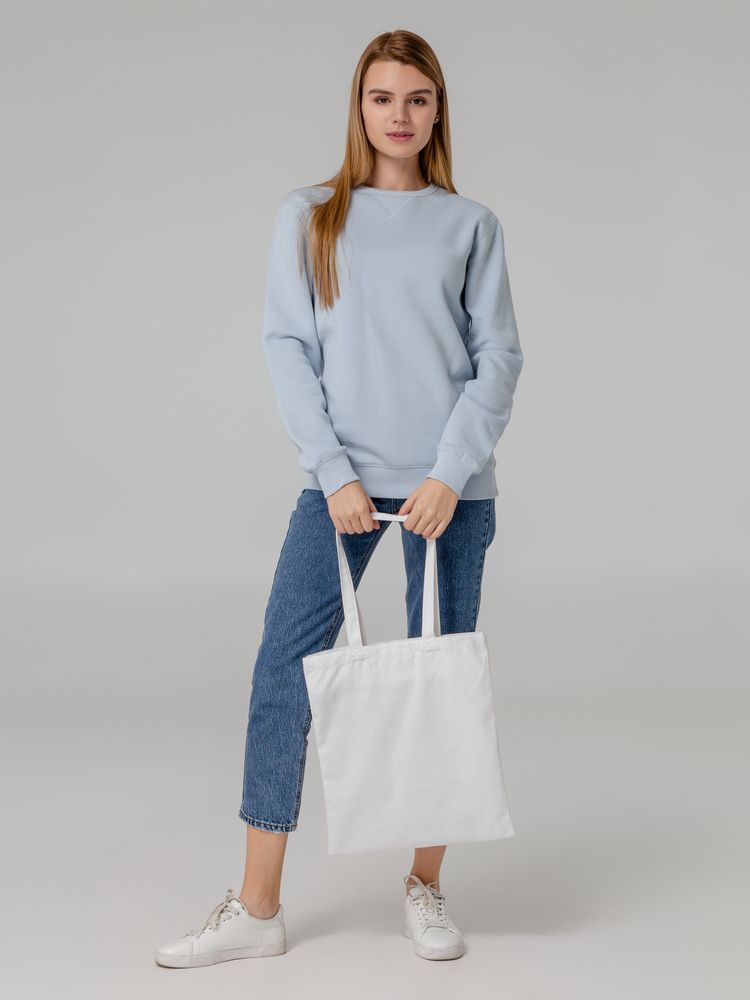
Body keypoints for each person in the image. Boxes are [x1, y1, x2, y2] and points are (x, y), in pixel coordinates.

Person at [154, 27, 523, 969]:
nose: (399, 115)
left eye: (417, 99)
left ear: (438, 112)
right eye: (382, 97)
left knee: (439, 680)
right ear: (358, 108)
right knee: (284, 668)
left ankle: (425, 886)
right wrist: (333, 472)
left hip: (449, 493)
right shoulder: (312, 216)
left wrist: (448, 474)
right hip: (344, 487)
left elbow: (498, 359)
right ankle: (258, 908)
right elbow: (288, 347)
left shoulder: (471, 225)